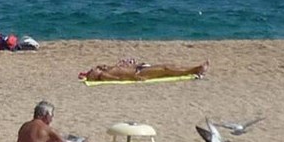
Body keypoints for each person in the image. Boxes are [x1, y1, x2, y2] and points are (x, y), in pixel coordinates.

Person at [80, 60, 209, 83]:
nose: (93, 69)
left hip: (138, 69)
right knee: (166, 69)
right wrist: (135, 78)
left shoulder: (105, 69)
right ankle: (196, 69)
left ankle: (193, 69)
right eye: (92, 71)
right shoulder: (104, 75)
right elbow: (120, 78)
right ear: (94, 76)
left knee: (167, 66)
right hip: (139, 74)